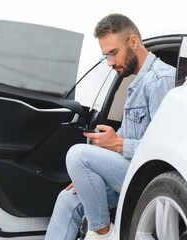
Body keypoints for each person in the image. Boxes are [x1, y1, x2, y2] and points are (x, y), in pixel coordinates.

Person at [45, 13, 176, 240]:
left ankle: (102, 233)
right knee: (68, 198)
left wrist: (118, 145)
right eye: (106, 55)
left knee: (77, 155)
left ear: (133, 42)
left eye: (113, 53)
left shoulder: (159, 79)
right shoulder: (136, 84)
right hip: (129, 169)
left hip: (147, 175)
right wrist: (85, 175)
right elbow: (125, 142)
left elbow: (165, 148)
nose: (110, 63)